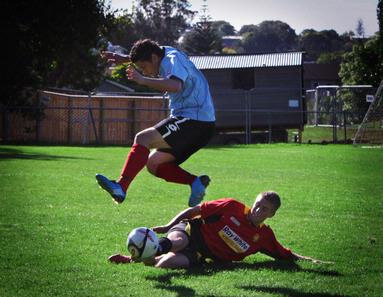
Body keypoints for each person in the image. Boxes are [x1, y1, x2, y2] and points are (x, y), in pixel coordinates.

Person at [96, 39, 215, 207]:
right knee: (153, 164)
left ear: (153, 58)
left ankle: (121, 186)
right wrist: (125, 58)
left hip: (194, 120)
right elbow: (152, 51)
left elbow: (175, 85)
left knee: (143, 138)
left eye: (144, 67)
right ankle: (196, 183)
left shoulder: (171, 60)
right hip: (200, 124)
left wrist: (142, 79)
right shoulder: (164, 53)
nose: (146, 71)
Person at [108, 191, 332, 268]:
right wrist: (168, 225)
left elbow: (285, 254)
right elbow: (195, 210)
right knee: (177, 242)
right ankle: (134, 256)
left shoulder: (263, 237)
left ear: (272, 214)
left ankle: (143, 256)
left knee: (165, 264)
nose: (258, 210)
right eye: (257, 204)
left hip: (201, 253)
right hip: (190, 231)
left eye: (265, 210)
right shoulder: (232, 207)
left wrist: (311, 260)